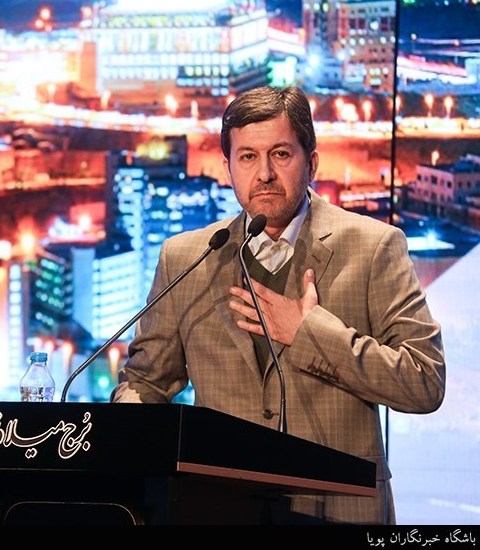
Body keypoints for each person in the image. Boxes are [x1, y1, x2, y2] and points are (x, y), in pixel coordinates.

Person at [110, 85, 446, 524]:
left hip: (340, 513)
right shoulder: (187, 257)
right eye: (248, 157)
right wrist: (124, 431)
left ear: (312, 162)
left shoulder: (374, 247)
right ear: (228, 168)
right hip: (217, 512)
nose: (264, 173)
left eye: (281, 154)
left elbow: (424, 381)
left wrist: (310, 333)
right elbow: (145, 382)